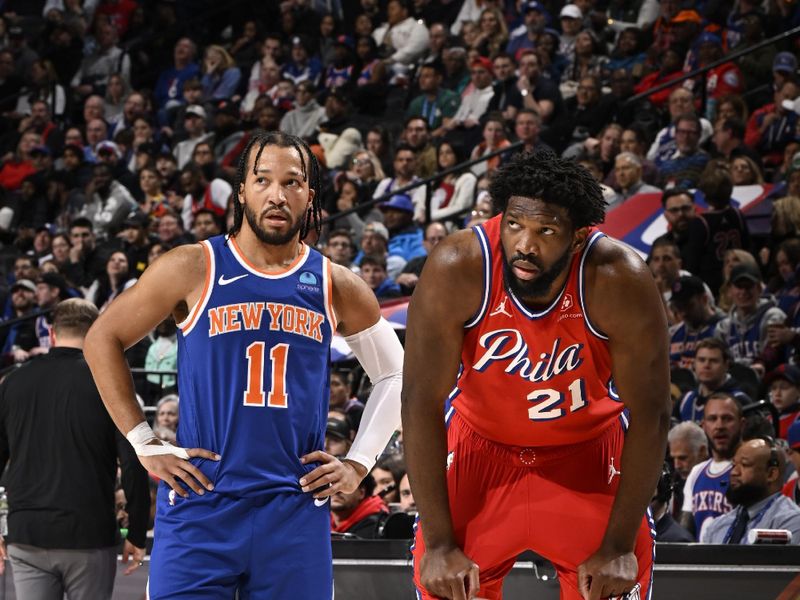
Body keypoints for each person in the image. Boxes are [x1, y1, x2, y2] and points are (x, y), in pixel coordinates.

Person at [84, 131, 404, 598]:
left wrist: (358, 462)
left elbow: (396, 374)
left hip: (294, 510)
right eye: (263, 181)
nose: (278, 194)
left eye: (292, 182)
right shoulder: (193, 266)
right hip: (201, 504)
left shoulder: (336, 284)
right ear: (241, 190)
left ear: (309, 196)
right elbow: (101, 338)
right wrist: (143, 441)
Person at [402, 151, 670, 599]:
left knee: (616, 578)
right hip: (478, 453)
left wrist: (620, 545)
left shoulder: (620, 279)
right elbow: (419, 401)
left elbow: (653, 414)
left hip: (585, 455)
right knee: (441, 580)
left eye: (545, 231)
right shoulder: (458, 267)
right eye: (514, 226)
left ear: (579, 235)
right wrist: (442, 544)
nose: (525, 245)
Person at [0, 299, 149, 599]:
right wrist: (137, 532)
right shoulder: (109, 383)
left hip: (27, 532)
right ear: (95, 331)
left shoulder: (11, 382)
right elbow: (134, 462)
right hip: (89, 535)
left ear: (52, 334)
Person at [701, 437, 800, 544]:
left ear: (771, 474)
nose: (734, 472)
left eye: (744, 465)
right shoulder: (717, 526)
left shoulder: (791, 522)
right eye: (734, 465)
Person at [680, 392, 744, 540]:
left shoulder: (747, 470)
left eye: (727, 419)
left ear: (742, 424)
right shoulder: (697, 472)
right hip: (700, 561)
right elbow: (685, 531)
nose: (719, 425)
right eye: (712, 419)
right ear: (703, 425)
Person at [675, 338, 751, 423]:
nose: (706, 365)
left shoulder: (739, 400)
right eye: (701, 360)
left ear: (726, 365)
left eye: (713, 361)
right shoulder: (685, 400)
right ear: (694, 364)